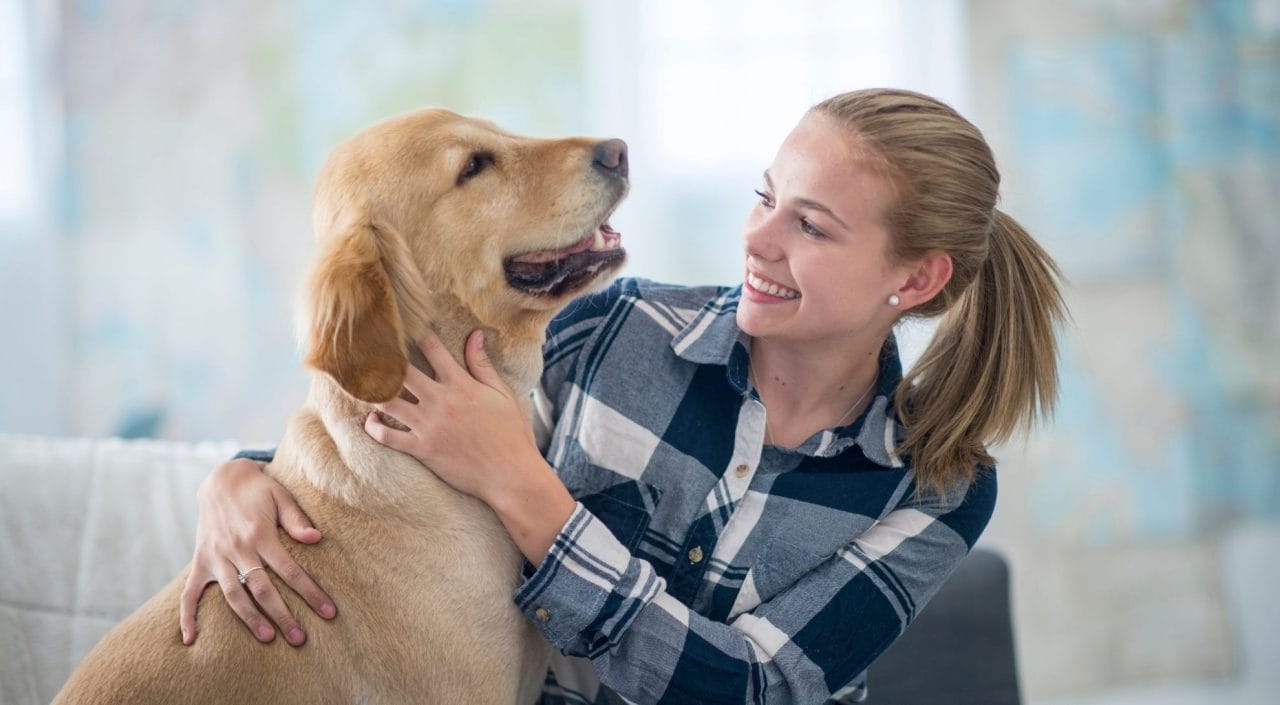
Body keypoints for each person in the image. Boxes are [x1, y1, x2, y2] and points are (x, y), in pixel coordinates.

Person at [178, 88, 1065, 704]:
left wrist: (526, 491)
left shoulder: (937, 487)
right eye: (765, 196)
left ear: (915, 280)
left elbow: (751, 686)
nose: (757, 237)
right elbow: (408, 424)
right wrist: (243, 478)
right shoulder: (612, 328)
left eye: (811, 225)